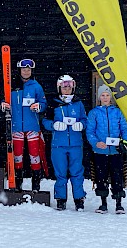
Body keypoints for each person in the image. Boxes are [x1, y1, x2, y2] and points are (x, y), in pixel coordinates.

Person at [1, 58, 48, 192]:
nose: (26, 72)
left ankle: (36, 185)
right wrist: (3, 104)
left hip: (32, 126)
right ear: (20, 70)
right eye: (24, 69)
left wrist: (39, 106)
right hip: (16, 127)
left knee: (34, 156)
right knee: (17, 156)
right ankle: (18, 184)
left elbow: (44, 104)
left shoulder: (36, 86)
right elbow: (4, 100)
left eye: (28, 70)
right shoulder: (12, 85)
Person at [42, 74, 87, 211]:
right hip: (58, 145)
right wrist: (54, 125)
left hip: (75, 144)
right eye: (64, 87)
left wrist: (81, 125)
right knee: (60, 173)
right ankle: (61, 199)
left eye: (69, 86)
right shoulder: (54, 104)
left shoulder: (78, 103)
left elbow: (85, 120)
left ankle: (79, 199)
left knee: (77, 172)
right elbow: (45, 121)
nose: (67, 89)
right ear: (59, 88)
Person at [86, 84, 127, 214]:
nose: (105, 98)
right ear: (99, 97)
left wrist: (124, 143)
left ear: (110, 97)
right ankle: (103, 204)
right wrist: (96, 143)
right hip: (100, 152)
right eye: (103, 95)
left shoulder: (118, 112)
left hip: (116, 152)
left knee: (117, 177)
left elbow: (125, 130)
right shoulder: (93, 113)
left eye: (107, 95)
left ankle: (119, 204)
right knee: (101, 177)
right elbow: (90, 131)